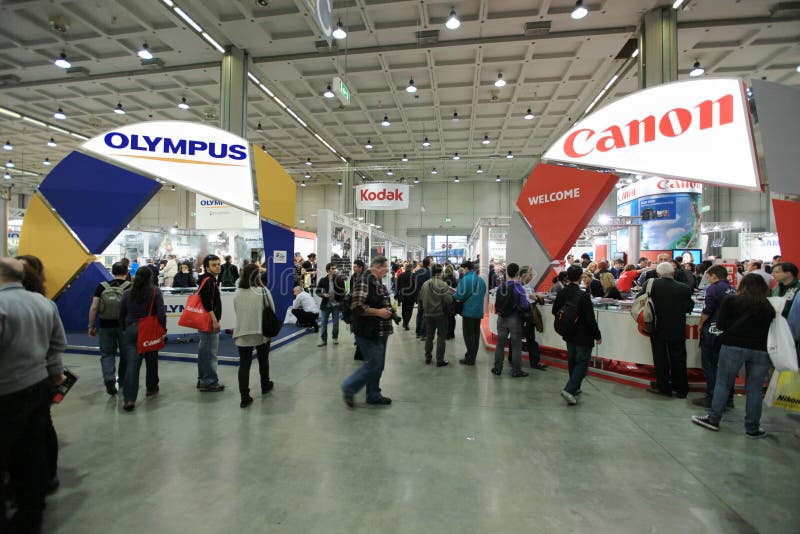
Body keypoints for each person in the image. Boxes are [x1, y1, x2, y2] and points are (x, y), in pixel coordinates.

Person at [0, 258, 67, 533]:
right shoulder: (44, 304)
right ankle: (32, 512)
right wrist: (54, 374)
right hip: (38, 385)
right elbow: (57, 344)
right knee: (32, 449)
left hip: (6, 390)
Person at [691, 274, 776, 438]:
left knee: (723, 383)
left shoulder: (732, 301)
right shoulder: (769, 305)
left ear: (742, 284)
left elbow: (721, 324)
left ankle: (713, 419)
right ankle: (752, 428)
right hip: (761, 349)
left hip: (733, 345)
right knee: (755, 389)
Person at [342, 256, 394, 408]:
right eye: (385, 267)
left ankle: (373, 395)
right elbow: (357, 306)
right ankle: (349, 387)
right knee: (374, 364)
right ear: (377, 266)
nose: (387, 270)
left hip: (379, 330)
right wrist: (378, 312)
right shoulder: (365, 281)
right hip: (368, 331)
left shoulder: (376, 281)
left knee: (378, 365)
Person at [553, 265, 602, 405]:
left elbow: (554, 310)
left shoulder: (562, 292)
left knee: (572, 359)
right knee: (582, 362)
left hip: (568, 332)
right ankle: (570, 389)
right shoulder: (583, 295)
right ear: (580, 277)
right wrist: (597, 335)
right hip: (583, 334)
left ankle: (575, 387)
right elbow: (590, 319)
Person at [118, 267, 165, 411]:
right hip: (150, 330)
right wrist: (163, 330)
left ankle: (129, 399)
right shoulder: (156, 292)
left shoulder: (127, 293)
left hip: (132, 329)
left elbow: (121, 314)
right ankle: (151, 388)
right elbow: (161, 313)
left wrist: (125, 329)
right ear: (151, 278)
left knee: (132, 365)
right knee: (152, 359)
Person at [647, 262, 695, 398]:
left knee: (660, 358)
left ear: (658, 273)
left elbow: (641, 301)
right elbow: (689, 307)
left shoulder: (651, 284)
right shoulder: (683, 288)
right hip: (677, 327)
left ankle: (664, 388)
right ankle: (681, 389)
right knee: (678, 358)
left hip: (657, 327)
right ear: (673, 273)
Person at [693, 265, 736, 409]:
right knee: (726, 367)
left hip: (712, 331)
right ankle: (728, 397)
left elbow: (708, 308)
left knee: (710, 365)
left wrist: (700, 323)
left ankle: (712, 396)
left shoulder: (713, 288)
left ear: (713, 276)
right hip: (727, 333)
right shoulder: (732, 289)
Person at [233, 264, 275, 408]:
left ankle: (244, 396)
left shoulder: (237, 293)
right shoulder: (263, 291)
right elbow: (272, 310)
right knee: (263, 360)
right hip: (261, 333)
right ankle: (265, 384)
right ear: (257, 275)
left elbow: (236, 310)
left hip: (242, 333)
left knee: (244, 365)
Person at [88, 261, 131, 395]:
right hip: (124, 325)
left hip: (105, 324)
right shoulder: (130, 287)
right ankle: (123, 380)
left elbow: (94, 307)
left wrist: (91, 325)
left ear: (112, 272)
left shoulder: (102, 286)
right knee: (126, 354)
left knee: (107, 354)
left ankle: (109, 380)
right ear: (126, 272)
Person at [491, 262, 530, 378]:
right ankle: (516, 370)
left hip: (502, 318)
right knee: (516, 345)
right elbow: (524, 305)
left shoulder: (500, 287)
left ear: (507, 273)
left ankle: (497, 368)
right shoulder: (520, 288)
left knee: (500, 344)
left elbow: (497, 303)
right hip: (515, 319)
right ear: (518, 274)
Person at [196, 254, 225, 392]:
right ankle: (209, 381)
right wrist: (215, 321)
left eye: (218, 264)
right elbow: (207, 304)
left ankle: (203, 379)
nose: (218, 267)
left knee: (204, 351)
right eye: (214, 265)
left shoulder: (205, 280)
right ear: (207, 267)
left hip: (204, 321)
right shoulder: (209, 281)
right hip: (208, 321)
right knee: (210, 353)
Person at [420, 264, 454, 367]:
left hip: (428, 314)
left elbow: (421, 298)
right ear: (440, 272)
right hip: (440, 314)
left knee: (429, 336)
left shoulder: (425, 284)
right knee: (441, 337)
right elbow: (449, 300)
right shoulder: (443, 284)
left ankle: (428, 357)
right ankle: (440, 360)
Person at [455, 261, 486, 366]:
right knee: (476, 335)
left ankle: (470, 358)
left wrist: (454, 294)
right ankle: (472, 356)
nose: (461, 271)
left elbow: (459, 296)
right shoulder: (481, 280)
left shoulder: (466, 279)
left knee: (468, 336)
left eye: (462, 269)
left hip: (468, 312)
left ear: (467, 268)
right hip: (478, 312)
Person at [520, 266, 547, 370]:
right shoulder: (518, 286)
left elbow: (533, 299)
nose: (531, 276)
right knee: (517, 339)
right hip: (522, 316)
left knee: (531, 339)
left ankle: (535, 362)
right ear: (523, 275)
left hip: (530, 316)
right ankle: (513, 360)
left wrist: (536, 297)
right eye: (530, 274)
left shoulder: (530, 286)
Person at [316, 262, 345, 346]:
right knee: (324, 323)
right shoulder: (323, 280)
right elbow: (317, 291)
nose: (334, 270)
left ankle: (335, 338)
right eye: (332, 268)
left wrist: (340, 302)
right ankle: (323, 340)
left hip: (336, 305)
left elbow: (343, 292)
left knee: (335, 323)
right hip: (325, 305)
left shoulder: (339, 279)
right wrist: (323, 294)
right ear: (328, 270)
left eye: (335, 268)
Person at [349, 260, 366, 361]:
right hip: (354, 304)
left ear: (361, 268)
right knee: (354, 324)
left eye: (355, 267)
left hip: (362, 305)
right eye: (353, 266)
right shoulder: (353, 277)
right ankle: (357, 340)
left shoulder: (366, 277)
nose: (353, 268)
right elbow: (352, 290)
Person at [394, 261, 416, 330]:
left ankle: (404, 321)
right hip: (411, 295)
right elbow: (416, 286)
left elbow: (397, 286)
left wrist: (396, 295)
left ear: (405, 268)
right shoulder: (414, 276)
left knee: (404, 309)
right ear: (411, 268)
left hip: (403, 296)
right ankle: (406, 322)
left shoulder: (400, 275)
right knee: (410, 310)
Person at [414, 258, 432, 340]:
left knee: (419, 313)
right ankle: (423, 333)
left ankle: (418, 332)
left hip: (419, 294)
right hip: (427, 294)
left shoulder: (417, 272)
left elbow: (415, 283)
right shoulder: (429, 272)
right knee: (425, 314)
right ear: (428, 263)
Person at [442, 264, 458, 339]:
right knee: (452, 317)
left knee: (446, 317)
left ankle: (447, 334)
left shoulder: (443, 280)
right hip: (453, 299)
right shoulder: (454, 279)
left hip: (445, 300)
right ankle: (452, 333)